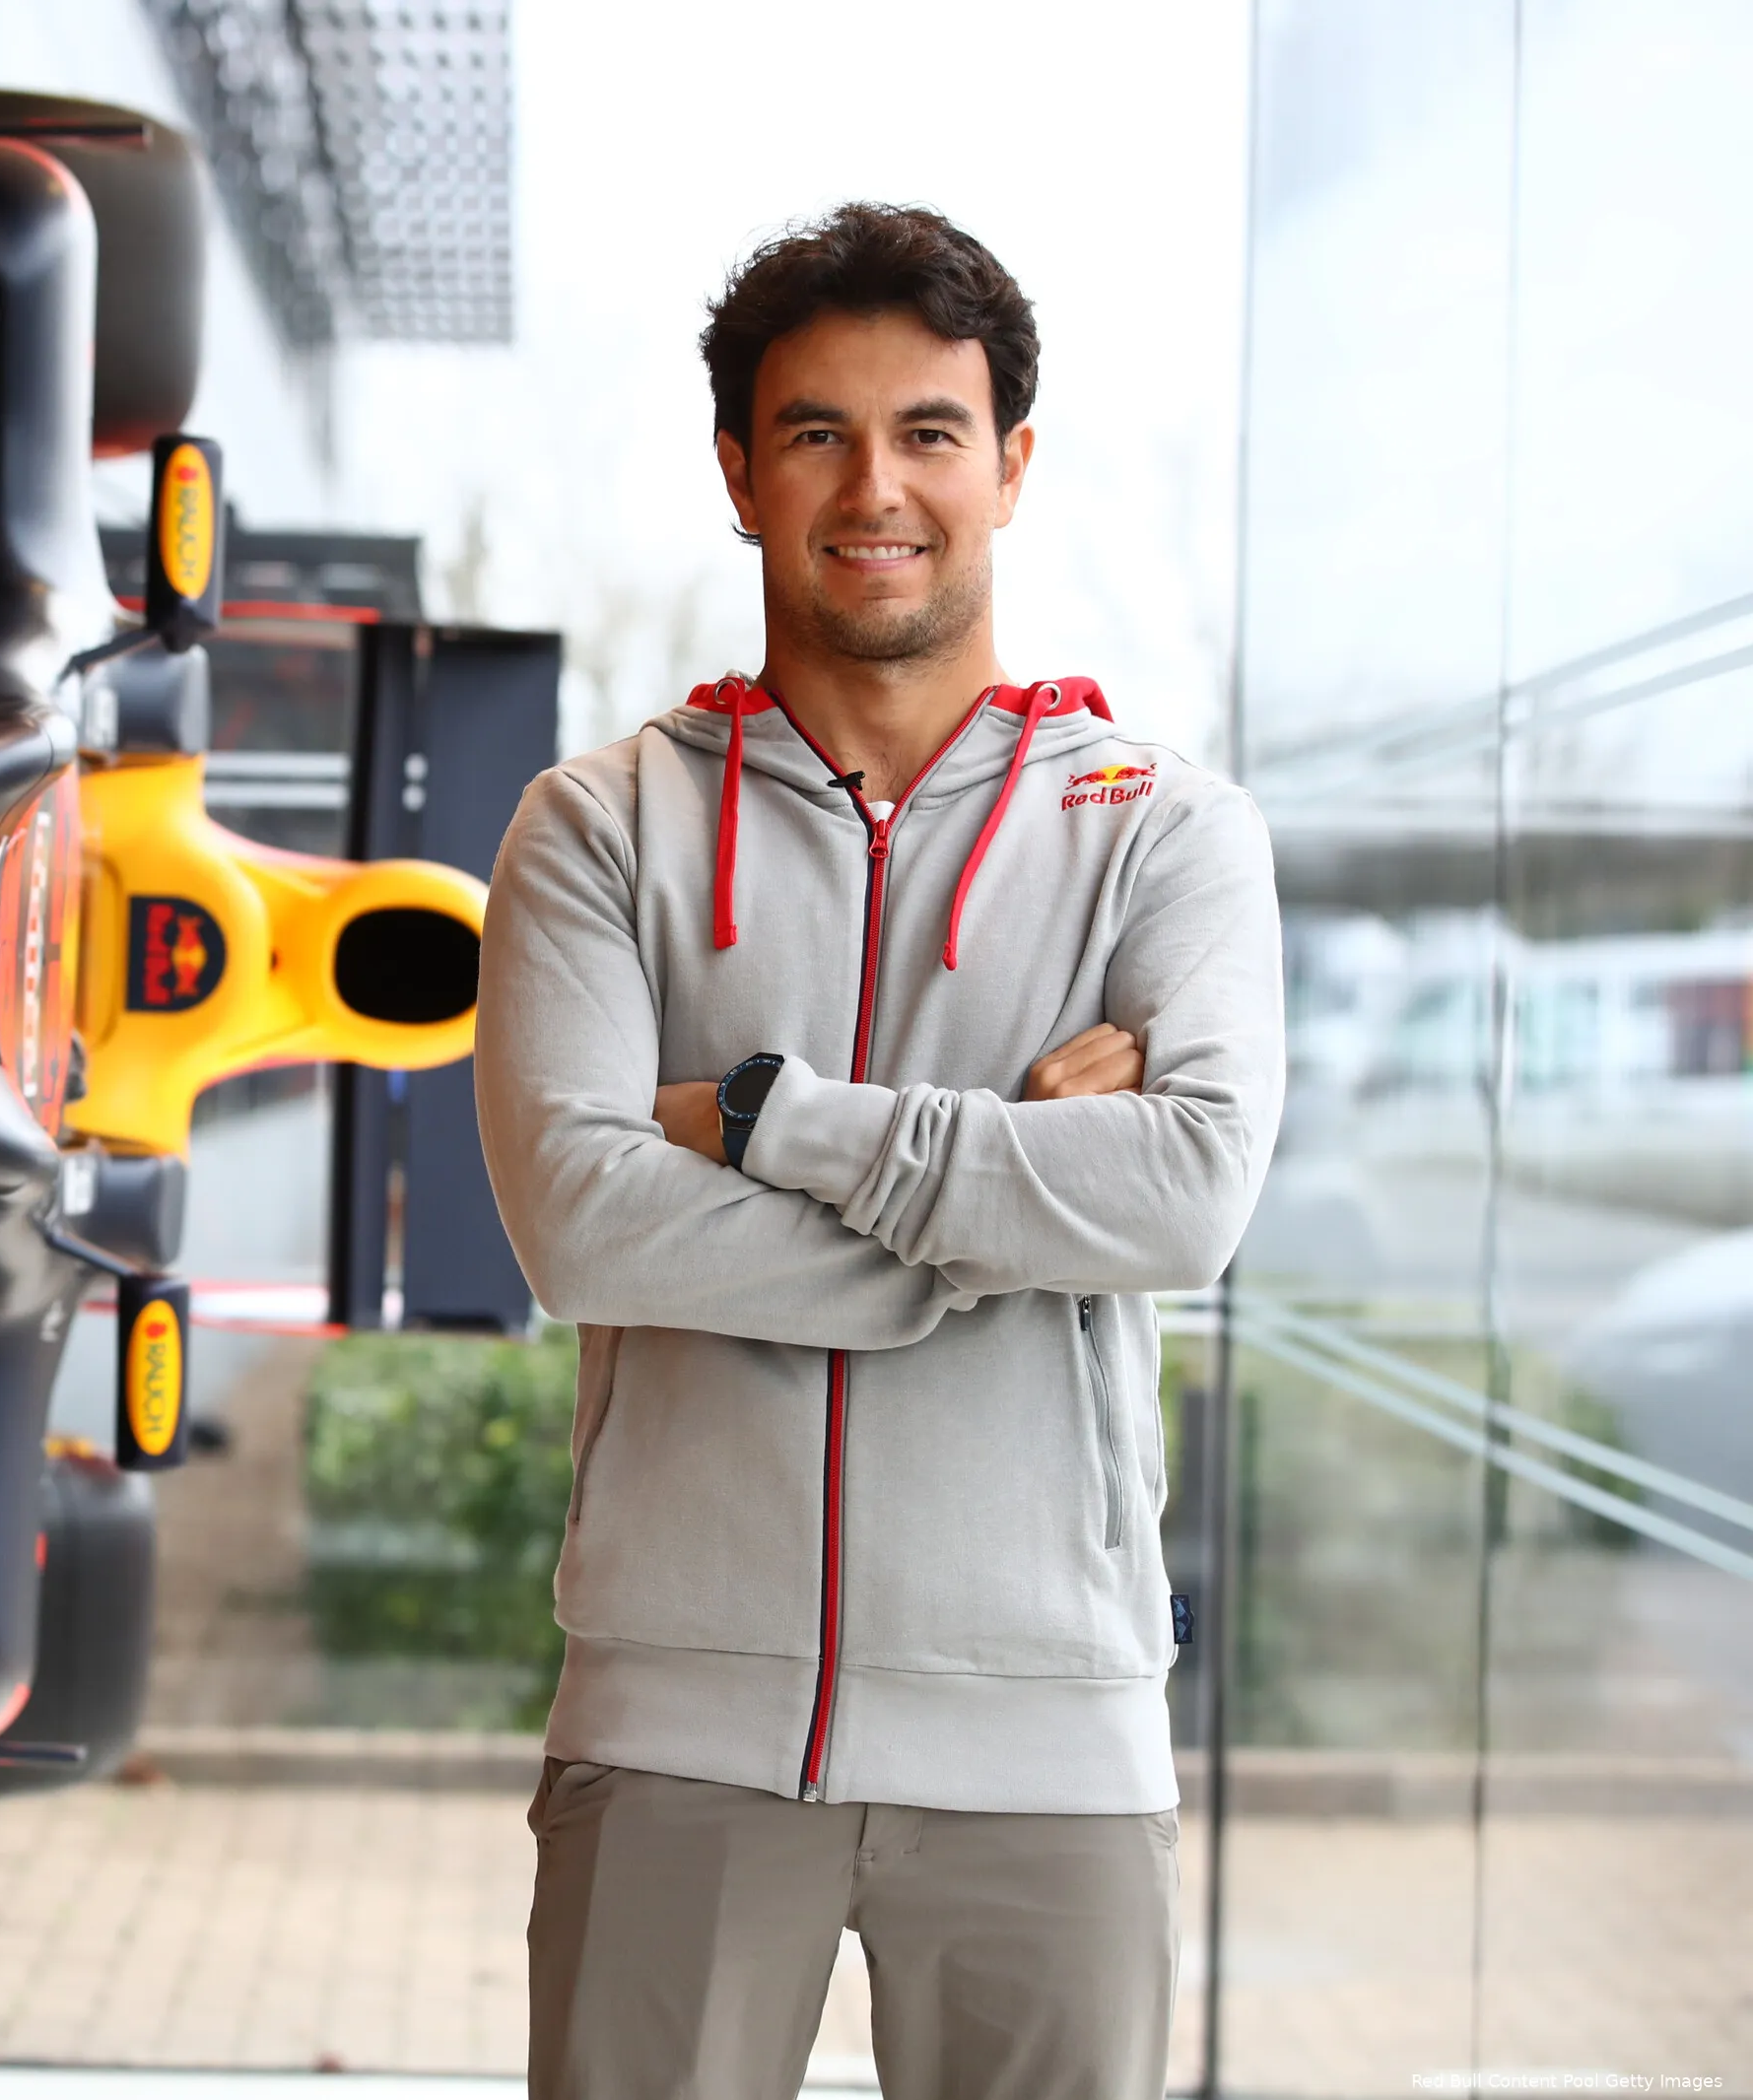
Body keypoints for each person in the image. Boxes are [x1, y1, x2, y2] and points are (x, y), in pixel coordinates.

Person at [472, 202, 1284, 2100]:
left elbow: (1187, 1198)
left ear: (1011, 463)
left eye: (928, 432)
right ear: (740, 473)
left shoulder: (1164, 831)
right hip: (675, 1725)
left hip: (1053, 1740)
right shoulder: (599, 827)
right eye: (816, 433)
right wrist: (1004, 1217)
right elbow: (585, 1226)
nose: (875, 487)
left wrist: (767, 1120)